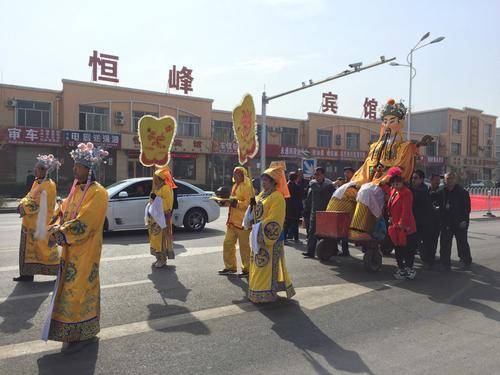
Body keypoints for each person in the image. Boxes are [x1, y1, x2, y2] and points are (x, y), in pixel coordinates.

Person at [327, 99, 431, 241]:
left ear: (400, 123)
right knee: (344, 190)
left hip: (385, 185)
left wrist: (383, 180)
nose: (388, 125)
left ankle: (359, 229)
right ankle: (333, 226)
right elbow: (366, 166)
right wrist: (356, 182)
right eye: (385, 121)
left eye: (392, 121)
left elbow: (400, 168)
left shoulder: (405, 146)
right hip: (368, 181)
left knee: (366, 191)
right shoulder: (375, 146)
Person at [43, 142, 108, 353]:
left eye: (79, 166)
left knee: (80, 290)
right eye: (75, 165)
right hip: (70, 252)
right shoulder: (75, 191)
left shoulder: (98, 193)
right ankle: (70, 330)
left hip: (86, 253)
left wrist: (60, 234)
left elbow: (85, 223)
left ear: (90, 170)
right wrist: (53, 226)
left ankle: (84, 330)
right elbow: (62, 212)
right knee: (68, 290)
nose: (75, 169)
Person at [248, 161, 295, 303]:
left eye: (266, 180)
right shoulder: (262, 195)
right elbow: (256, 212)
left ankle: (267, 293)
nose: (263, 182)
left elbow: (275, 219)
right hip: (258, 235)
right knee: (258, 264)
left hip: (269, 238)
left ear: (273, 182)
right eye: (263, 179)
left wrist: (260, 230)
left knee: (266, 266)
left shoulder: (277, 197)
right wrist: (250, 212)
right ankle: (256, 291)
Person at [14, 155, 60, 282]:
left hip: (40, 224)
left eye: (39, 168)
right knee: (28, 250)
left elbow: (36, 204)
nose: (36, 170)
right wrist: (23, 202)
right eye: (37, 167)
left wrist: (23, 206)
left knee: (44, 249)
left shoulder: (49, 185)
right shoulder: (37, 182)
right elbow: (29, 197)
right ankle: (26, 274)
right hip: (29, 223)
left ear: (46, 171)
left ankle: (57, 271)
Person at [219, 167, 253, 277]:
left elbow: (249, 204)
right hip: (232, 221)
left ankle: (247, 269)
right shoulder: (235, 186)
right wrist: (225, 202)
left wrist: (235, 203)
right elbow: (233, 201)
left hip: (243, 222)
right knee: (227, 244)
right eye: (234, 174)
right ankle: (230, 267)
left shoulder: (247, 187)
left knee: (244, 247)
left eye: (237, 174)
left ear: (243, 175)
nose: (234, 176)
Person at [386, 167, 417, 280]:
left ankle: (409, 269)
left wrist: (401, 224)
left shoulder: (406, 193)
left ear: (402, 181)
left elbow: (406, 210)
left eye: (398, 181)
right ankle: (401, 268)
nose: (395, 184)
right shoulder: (393, 191)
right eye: (393, 182)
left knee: (407, 249)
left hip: (406, 227)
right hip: (395, 226)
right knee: (398, 248)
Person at [439, 172, 472, 271]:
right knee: (445, 244)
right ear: (445, 180)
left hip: (460, 222)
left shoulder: (462, 192)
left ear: (455, 179)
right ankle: (445, 263)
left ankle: (465, 261)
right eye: (448, 178)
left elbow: (467, 209)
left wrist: (464, 221)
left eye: (452, 178)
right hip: (446, 222)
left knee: (462, 243)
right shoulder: (442, 191)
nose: (450, 180)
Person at [148, 166, 176, 268]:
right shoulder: (156, 188)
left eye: (156, 178)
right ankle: (158, 258)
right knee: (155, 239)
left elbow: (168, 204)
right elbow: (152, 202)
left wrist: (156, 199)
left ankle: (162, 259)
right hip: (155, 218)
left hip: (162, 218)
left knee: (161, 240)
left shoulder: (166, 188)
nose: (154, 180)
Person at [303, 167, 335, 258]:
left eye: (318, 174)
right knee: (312, 232)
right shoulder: (313, 183)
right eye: (315, 174)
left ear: (323, 175)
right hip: (315, 212)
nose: (316, 176)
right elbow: (320, 190)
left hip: (326, 212)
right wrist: (332, 184)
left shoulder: (329, 184)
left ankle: (331, 251)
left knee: (328, 233)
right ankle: (310, 252)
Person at [409, 170, 431, 263]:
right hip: (414, 220)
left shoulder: (423, 190)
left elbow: (416, 195)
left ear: (421, 179)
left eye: (415, 178)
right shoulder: (413, 188)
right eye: (412, 178)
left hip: (422, 222)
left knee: (423, 242)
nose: (413, 180)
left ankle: (427, 261)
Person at [425, 174, 443, 267]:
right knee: (426, 241)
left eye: (439, 180)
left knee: (433, 241)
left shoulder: (441, 192)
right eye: (436, 180)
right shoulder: (425, 190)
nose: (438, 182)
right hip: (426, 221)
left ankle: (431, 260)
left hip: (436, 221)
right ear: (431, 180)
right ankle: (427, 258)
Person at [284, 172, 303, 243]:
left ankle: (284, 239)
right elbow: (299, 198)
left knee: (286, 224)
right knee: (295, 224)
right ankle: (296, 239)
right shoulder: (297, 187)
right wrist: (301, 207)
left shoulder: (286, 186)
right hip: (295, 207)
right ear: (296, 178)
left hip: (287, 207)